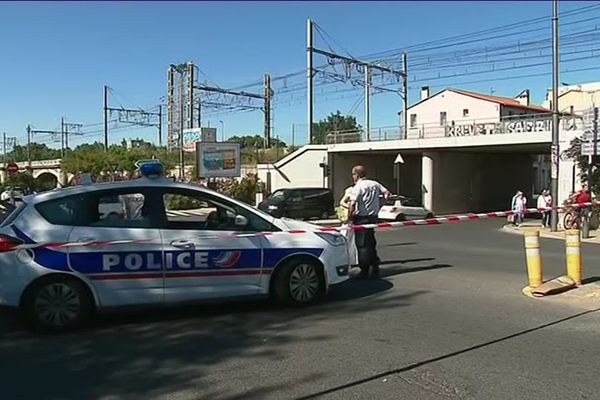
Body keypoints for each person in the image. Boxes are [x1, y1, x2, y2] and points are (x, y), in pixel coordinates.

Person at [347, 165, 390, 278]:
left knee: (362, 244)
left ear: (357, 174)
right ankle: (375, 265)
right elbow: (387, 193)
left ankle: (364, 269)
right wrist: (379, 205)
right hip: (373, 217)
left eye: (353, 174)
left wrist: (350, 216)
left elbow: (352, 203)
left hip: (362, 217)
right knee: (371, 242)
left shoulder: (358, 186)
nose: (353, 177)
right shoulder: (375, 184)